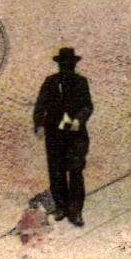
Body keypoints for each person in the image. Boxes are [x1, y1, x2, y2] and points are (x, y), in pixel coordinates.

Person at [33, 47, 93, 226]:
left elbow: (87, 106)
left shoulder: (81, 82)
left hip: (76, 134)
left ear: (74, 66)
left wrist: (78, 120)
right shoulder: (50, 82)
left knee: (75, 171)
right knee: (56, 171)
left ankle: (75, 212)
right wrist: (39, 125)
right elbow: (40, 104)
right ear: (59, 66)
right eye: (63, 65)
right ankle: (61, 207)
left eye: (69, 65)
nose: (66, 68)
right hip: (54, 133)